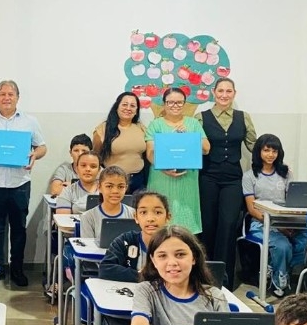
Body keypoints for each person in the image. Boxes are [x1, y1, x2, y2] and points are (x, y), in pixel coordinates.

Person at [0, 80, 47, 287]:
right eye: (2, 94)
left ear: (17, 97)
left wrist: (34, 155)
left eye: (10, 94)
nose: (6, 98)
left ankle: (17, 270)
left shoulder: (30, 122)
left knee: (19, 228)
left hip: (20, 184)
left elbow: (42, 147)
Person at [196, 77, 257, 288]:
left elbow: (254, 146)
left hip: (233, 178)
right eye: (220, 90)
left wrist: (274, 165)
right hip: (208, 176)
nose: (224, 95)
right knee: (208, 226)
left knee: (229, 225)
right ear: (213, 93)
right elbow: (192, 146)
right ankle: (204, 276)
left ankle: (224, 279)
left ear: (234, 93)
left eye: (228, 91)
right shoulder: (201, 118)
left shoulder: (243, 117)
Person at [242, 134, 307, 298]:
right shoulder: (250, 176)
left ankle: (273, 267)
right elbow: (251, 209)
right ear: (259, 152)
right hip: (261, 223)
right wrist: (278, 226)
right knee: (283, 246)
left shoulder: (286, 173)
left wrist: (288, 225)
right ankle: (280, 282)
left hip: (286, 221)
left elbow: (292, 201)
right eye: (266, 150)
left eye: (274, 151)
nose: (270, 154)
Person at [145, 87, 210, 234]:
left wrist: (189, 136)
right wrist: (163, 167)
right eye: (171, 102)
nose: (175, 106)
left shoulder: (193, 124)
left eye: (179, 103)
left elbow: (206, 149)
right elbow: (150, 153)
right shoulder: (156, 124)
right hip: (161, 178)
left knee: (185, 227)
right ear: (164, 104)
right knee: (159, 224)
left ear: (184, 104)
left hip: (187, 181)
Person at [100, 190, 172, 282]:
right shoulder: (126, 240)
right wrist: (142, 276)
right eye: (143, 212)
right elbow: (105, 269)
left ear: (168, 217)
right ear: (136, 217)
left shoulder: (176, 244)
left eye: (158, 212)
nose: (150, 219)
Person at [94, 93, 148, 193]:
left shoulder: (141, 128)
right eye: (124, 104)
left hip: (138, 181)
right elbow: (96, 157)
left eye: (132, 106)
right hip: (113, 181)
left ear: (136, 110)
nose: (128, 108)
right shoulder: (103, 129)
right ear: (117, 107)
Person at [79, 166, 135, 240]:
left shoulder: (133, 214)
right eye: (109, 186)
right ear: (99, 187)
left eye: (121, 187)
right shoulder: (88, 217)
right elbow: (87, 248)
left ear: (126, 188)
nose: (115, 191)